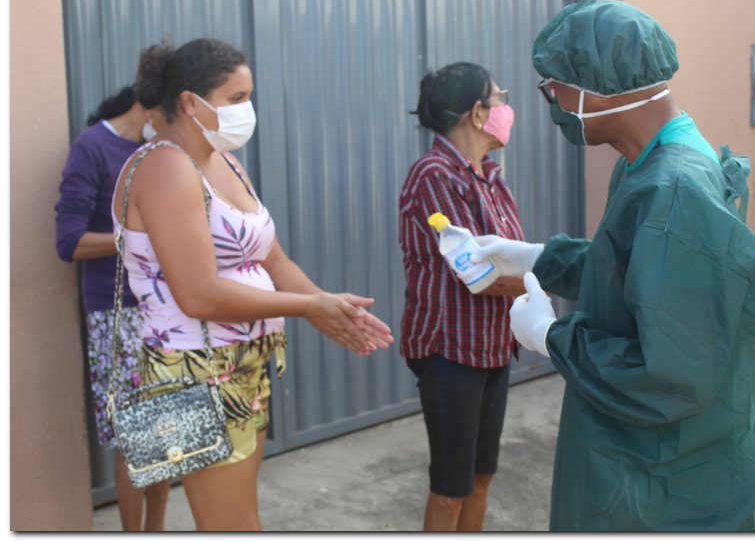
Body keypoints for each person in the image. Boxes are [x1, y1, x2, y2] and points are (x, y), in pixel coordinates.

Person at [473, 0, 755, 531]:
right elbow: (638, 272)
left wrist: (551, 336)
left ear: (600, 87)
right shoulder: (656, 156)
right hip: (639, 451)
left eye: (554, 86)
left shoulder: (675, 190)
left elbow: (672, 374)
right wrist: (539, 256)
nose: (552, 101)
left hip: (653, 478)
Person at [116, 37, 394, 531]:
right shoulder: (164, 167)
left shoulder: (223, 161)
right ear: (189, 102)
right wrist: (307, 308)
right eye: (237, 99)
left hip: (244, 366)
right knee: (232, 526)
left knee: (243, 516)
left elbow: (272, 257)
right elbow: (198, 293)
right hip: (193, 374)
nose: (248, 111)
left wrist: (327, 304)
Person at [399, 62, 526, 531]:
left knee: (481, 478)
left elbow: (512, 259)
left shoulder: (487, 175)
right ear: (477, 112)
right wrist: (556, 275)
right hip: (450, 354)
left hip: (492, 349)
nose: (505, 108)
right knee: (450, 490)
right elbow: (480, 273)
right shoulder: (435, 176)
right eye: (500, 98)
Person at [55, 87, 170, 531]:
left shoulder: (156, 149)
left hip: (165, 309)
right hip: (118, 314)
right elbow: (68, 242)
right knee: (136, 439)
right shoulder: (93, 148)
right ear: (148, 106)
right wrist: (137, 239)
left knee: (166, 435)